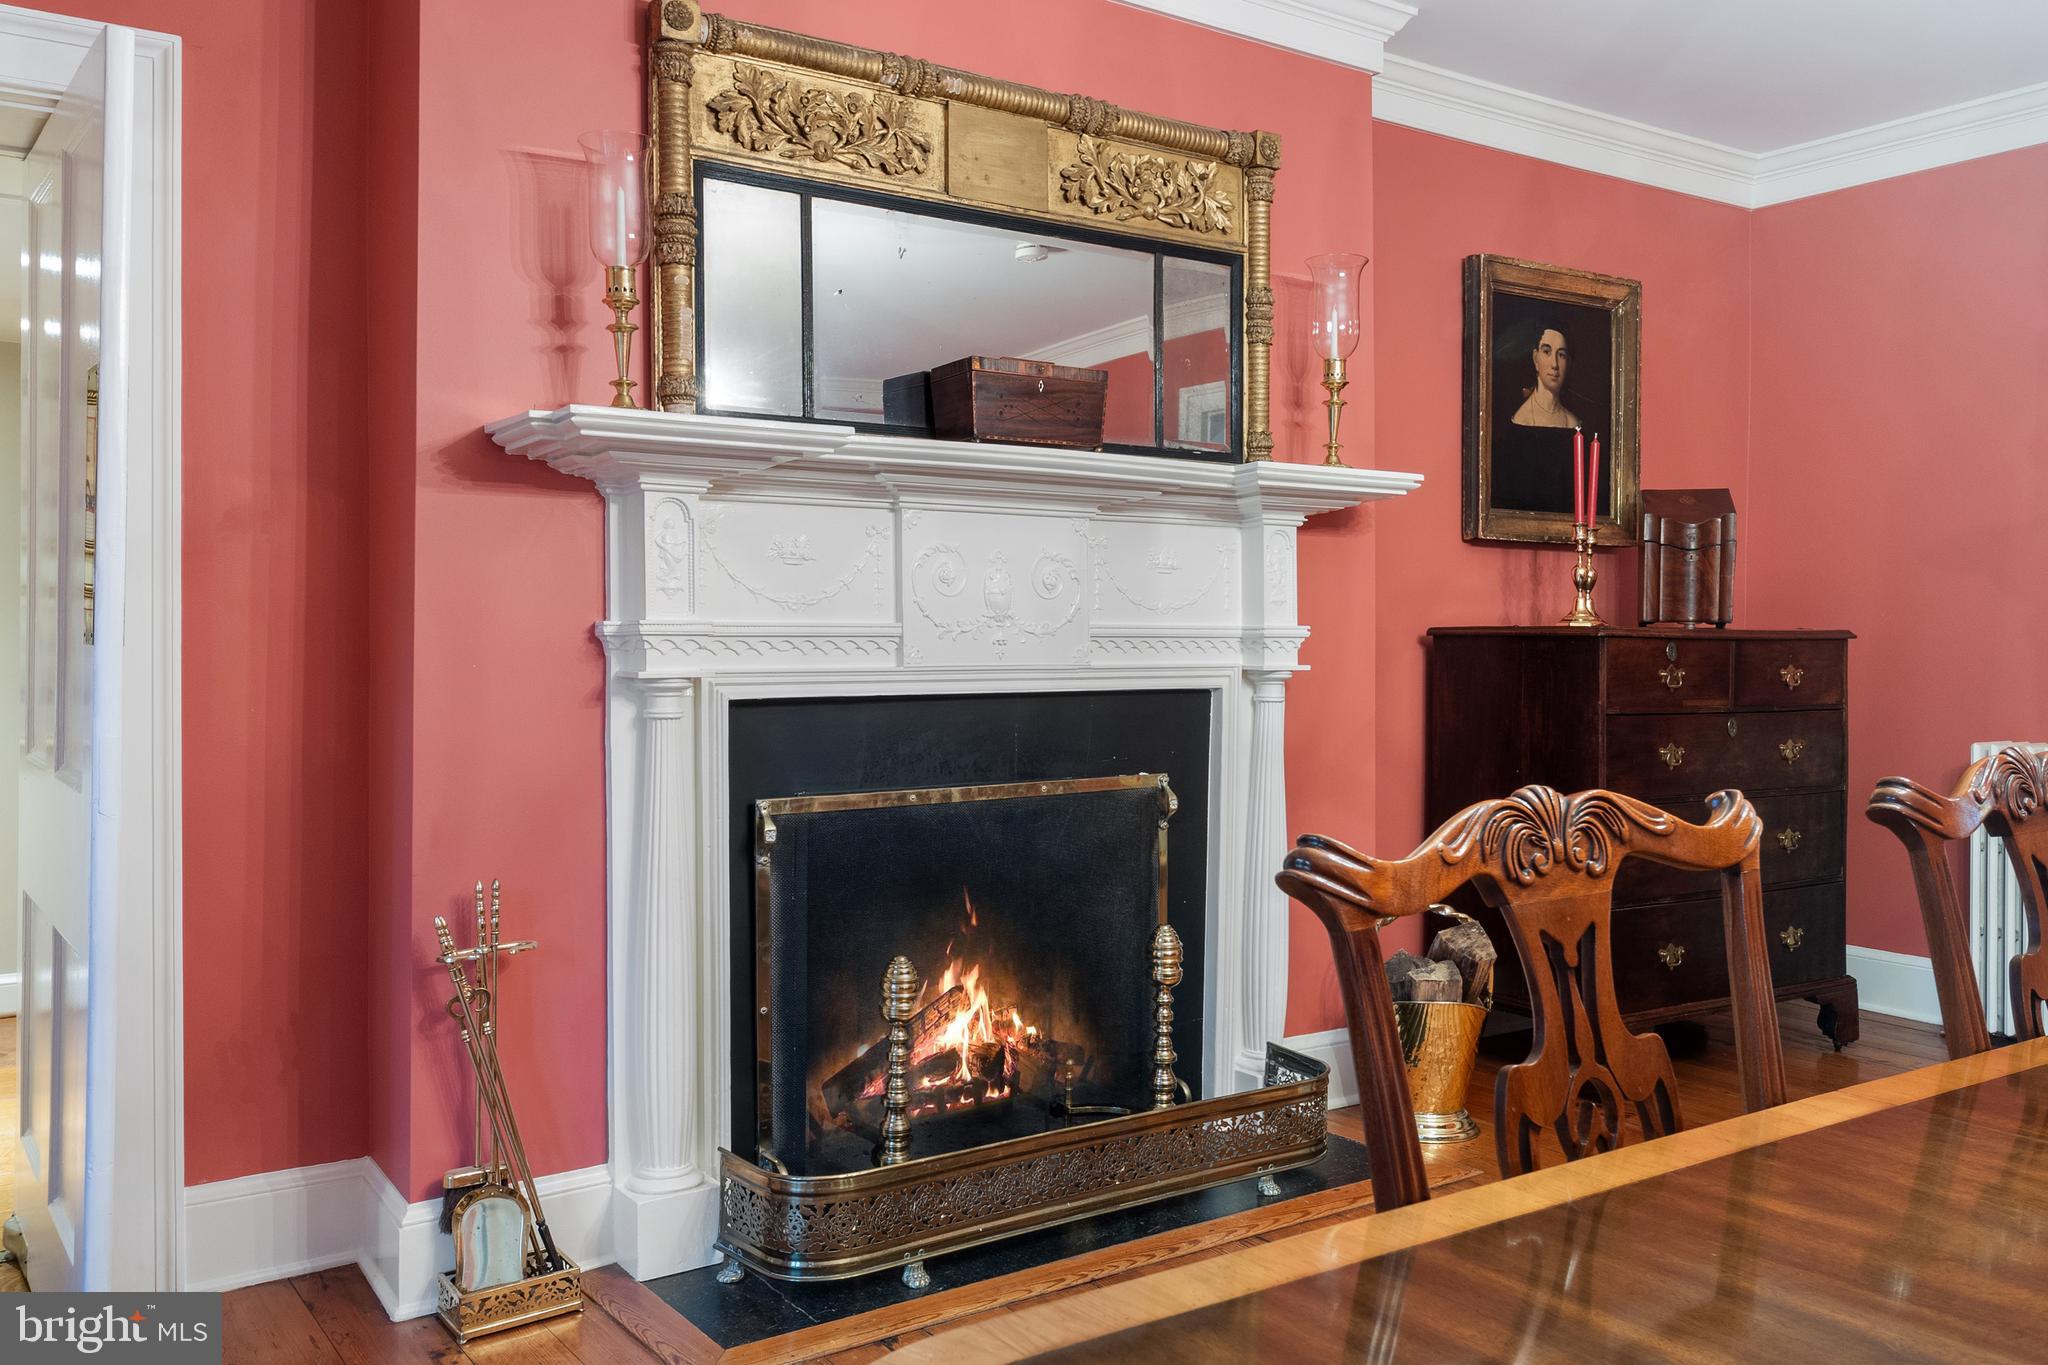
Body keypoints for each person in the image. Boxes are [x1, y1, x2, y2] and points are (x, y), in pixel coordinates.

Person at [1490, 321, 1599, 516]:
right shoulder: (1517, 423)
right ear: (1535, 358)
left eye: (1562, 355)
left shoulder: (1576, 426)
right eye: (1547, 352)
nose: (1555, 364)